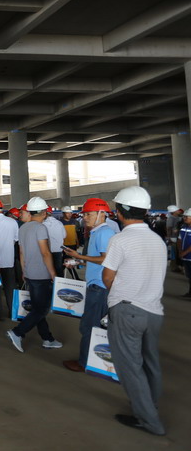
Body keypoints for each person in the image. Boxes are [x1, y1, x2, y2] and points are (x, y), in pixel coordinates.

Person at [101, 186, 167, 436]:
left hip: (128, 310)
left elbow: (108, 277)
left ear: (121, 211)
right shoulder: (157, 240)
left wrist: (120, 295)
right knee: (150, 363)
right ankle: (150, 405)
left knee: (130, 367)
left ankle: (149, 420)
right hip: (154, 311)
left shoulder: (120, 240)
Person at [61, 198, 115, 372]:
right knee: (91, 325)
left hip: (100, 287)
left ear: (101, 214)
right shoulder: (96, 232)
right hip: (96, 285)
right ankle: (95, 360)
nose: (84, 218)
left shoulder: (104, 233)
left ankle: (85, 362)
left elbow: (106, 259)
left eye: (88, 214)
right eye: (84, 214)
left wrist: (80, 256)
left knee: (89, 326)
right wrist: (78, 262)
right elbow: (97, 258)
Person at [6, 197, 62, 353]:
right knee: (42, 309)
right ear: (44, 212)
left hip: (30, 273)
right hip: (41, 274)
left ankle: (47, 339)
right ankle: (18, 332)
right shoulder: (40, 228)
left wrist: (24, 270)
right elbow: (45, 253)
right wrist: (53, 273)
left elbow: (21, 252)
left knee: (38, 308)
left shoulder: (23, 228)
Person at [0, 198, 19, 318]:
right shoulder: (12, 222)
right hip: (8, 260)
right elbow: (16, 239)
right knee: (10, 287)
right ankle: (12, 312)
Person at [42, 206, 66, 277]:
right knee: (58, 269)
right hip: (58, 250)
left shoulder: (42, 225)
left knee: (48, 270)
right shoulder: (59, 223)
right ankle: (60, 282)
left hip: (47, 251)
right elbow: (64, 235)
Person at [178, 210, 191, 297]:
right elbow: (179, 240)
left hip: (188, 256)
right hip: (185, 257)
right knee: (189, 276)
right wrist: (180, 251)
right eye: (184, 216)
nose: (184, 218)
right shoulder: (183, 227)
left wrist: (184, 253)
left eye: (187, 217)